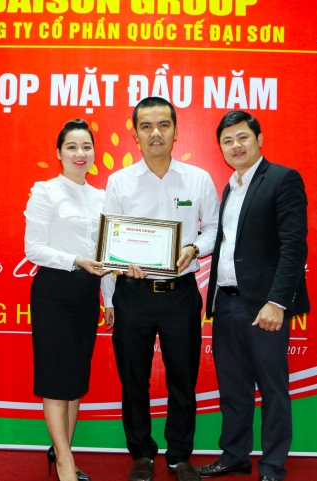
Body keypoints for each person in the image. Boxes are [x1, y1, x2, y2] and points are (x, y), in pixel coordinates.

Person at [104, 97, 220, 481]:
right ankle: (141, 453)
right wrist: (111, 291)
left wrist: (194, 248)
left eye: (164, 125)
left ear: (175, 131)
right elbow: (108, 242)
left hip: (180, 294)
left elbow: (214, 229)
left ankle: (179, 455)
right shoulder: (119, 182)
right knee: (133, 377)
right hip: (132, 294)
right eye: (147, 126)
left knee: (182, 378)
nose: (156, 133)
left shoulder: (198, 179)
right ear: (135, 134)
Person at [196, 111, 309, 481]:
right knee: (233, 388)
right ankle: (235, 455)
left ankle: (273, 466)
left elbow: (294, 246)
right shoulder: (230, 188)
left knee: (273, 389)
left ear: (259, 139)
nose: (236, 146)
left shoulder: (282, 179)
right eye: (227, 141)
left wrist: (277, 302)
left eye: (242, 137)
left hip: (264, 307)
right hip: (226, 303)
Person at [25, 119, 116, 481]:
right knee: (54, 379)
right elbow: (33, 249)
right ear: (59, 153)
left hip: (86, 295)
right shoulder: (44, 192)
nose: (80, 154)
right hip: (53, 292)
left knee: (75, 379)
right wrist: (75, 260)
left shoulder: (102, 198)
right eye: (72, 147)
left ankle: (64, 450)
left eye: (87, 147)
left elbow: (106, 255)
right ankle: (64, 463)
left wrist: (109, 300)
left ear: (95, 152)